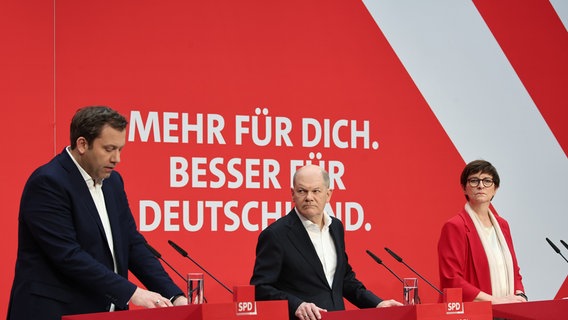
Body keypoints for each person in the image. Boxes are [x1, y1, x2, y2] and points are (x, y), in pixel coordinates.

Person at [7, 106, 188, 320]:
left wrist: (174, 295)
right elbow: (68, 255)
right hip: (55, 312)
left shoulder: (113, 183)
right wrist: (132, 292)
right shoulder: (49, 182)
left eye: (120, 149)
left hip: (103, 313)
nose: (117, 158)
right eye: (109, 149)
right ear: (82, 144)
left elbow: (132, 244)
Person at [250, 164, 402, 320]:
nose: (309, 197)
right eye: (302, 191)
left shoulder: (336, 227)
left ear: (328, 194)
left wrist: (377, 304)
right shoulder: (276, 234)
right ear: (292, 194)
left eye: (316, 191)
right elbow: (260, 288)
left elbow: (343, 279)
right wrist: (297, 305)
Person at [437, 160, 527, 304]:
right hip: (472, 313)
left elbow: (515, 271)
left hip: (508, 312)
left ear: (495, 188)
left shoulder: (503, 225)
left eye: (487, 181)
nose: (480, 185)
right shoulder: (455, 226)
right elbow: (451, 280)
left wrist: (520, 295)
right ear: (464, 188)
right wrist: (496, 301)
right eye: (474, 181)